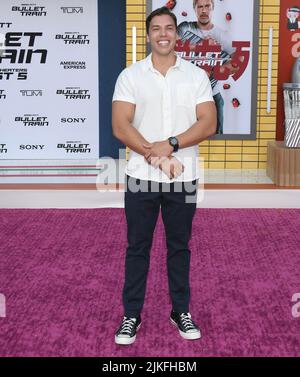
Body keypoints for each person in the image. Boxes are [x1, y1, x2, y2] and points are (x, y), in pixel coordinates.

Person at [112, 6, 216, 345]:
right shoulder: (130, 75)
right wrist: (155, 157)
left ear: (177, 33)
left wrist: (170, 144)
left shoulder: (196, 76)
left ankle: (180, 311)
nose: (163, 34)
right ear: (147, 35)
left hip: (183, 179)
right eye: (156, 29)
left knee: (179, 247)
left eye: (168, 28)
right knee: (137, 247)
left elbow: (207, 124)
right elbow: (120, 125)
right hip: (140, 177)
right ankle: (131, 315)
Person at [177, 0, 237, 134]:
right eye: (200, 7)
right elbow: (173, 49)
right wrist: (203, 46)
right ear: (194, 9)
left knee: (216, 142)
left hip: (212, 96)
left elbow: (237, 60)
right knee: (182, 139)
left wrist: (215, 71)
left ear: (213, 8)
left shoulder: (222, 35)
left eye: (207, 6)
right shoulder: (185, 28)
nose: (204, 10)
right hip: (185, 96)